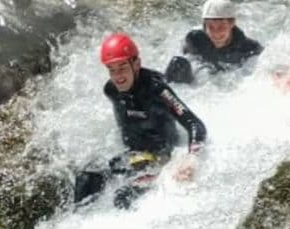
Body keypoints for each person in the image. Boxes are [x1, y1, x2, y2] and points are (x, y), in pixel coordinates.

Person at [74, 33, 207, 207]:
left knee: (122, 197)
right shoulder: (111, 90)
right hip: (132, 155)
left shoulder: (157, 89)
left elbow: (195, 125)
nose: (117, 77)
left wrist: (191, 158)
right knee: (86, 180)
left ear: (136, 64)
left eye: (122, 68)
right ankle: (79, 223)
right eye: (111, 70)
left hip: (160, 157)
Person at [165, 0, 263, 84]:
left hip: (230, 84)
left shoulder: (249, 48)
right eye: (211, 27)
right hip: (199, 82)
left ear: (232, 24)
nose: (216, 33)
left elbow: (267, 65)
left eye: (221, 27)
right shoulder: (195, 40)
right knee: (178, 63)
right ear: (204, 26)